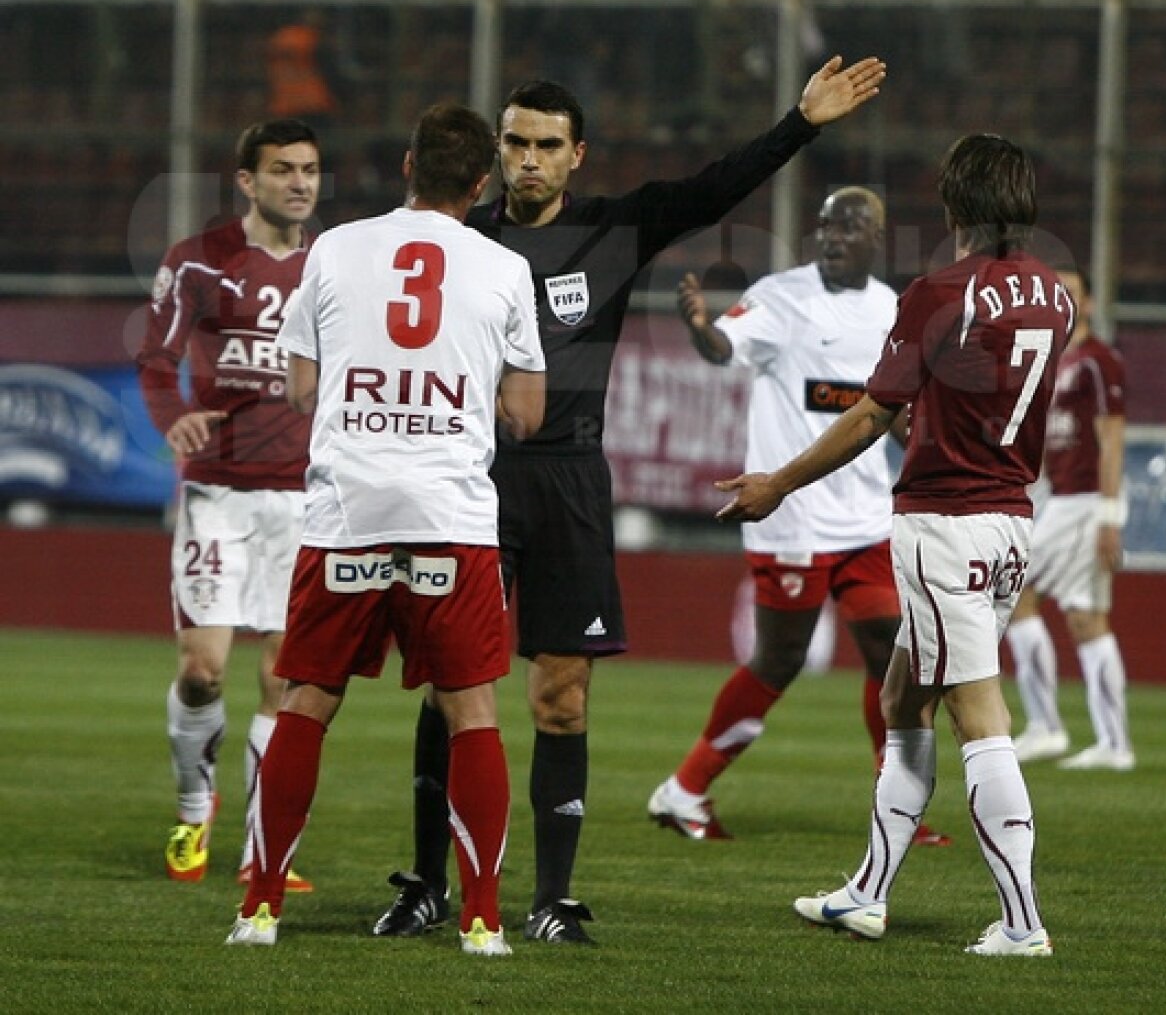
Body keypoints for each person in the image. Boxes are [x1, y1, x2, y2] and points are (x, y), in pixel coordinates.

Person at [373, 53, 887, 946]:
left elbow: (714, 188)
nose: (527, 159)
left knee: (561, 697)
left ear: (578, 154)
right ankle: (427, 883)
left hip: (570, 481)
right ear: (495, 151)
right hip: (465, 481)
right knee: (452, 689)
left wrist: (800, 124)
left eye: (546, 145)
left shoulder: (613, 230)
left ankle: (552, 898)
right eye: (514, 143)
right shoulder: (455, 238)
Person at [716, 132, 1073, 957]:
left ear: (953, 202)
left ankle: (1022, 922)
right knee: (901, 702)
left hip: (944, 522)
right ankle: (866, 893)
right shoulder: (1054, 295)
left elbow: (872, 413)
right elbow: (990, 396)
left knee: (978, 717)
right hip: (1011, 518)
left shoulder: (935, 292)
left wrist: (777, 481)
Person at [227, 103, 545, 953]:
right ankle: (481, 919)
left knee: (308, 698)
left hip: (347, 515)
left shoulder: (334, 248)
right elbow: (524, 410)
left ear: (407, 164)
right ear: (481, 183)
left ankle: (260, 907)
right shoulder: (503, 267)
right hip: (450, 517)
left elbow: (298, 389)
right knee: (471, 706)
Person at [648, 188, 947, 849]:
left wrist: (926, 447)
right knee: (779, 658)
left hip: (865, 518)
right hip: (794, 519)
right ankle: (684, 787)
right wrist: (702, 328)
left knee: (890, 650)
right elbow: (724, 346)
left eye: (850, 225)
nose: (833, 235)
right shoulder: (781, 295)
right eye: (825, 225)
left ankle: (894, 803)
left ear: (877, 235)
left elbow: (893, 411)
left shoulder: (891, 309)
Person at [137, 119, 321, 894]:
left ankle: (262, 849)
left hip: (304, 498)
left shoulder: (334, 264)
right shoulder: (198, 261)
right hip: (217, 492)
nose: (301, 183)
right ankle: (192, 802)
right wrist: (169, 418)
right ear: (246, 180)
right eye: (283, 169)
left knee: (283, 678)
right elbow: (155, 359)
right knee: (203, 670)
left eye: (311, 169)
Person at [1008, 267, 1132, 770]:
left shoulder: (1099, 362)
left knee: (1025, 597)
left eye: (1073, 294)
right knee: (1074, 615)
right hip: (1059, 499)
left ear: (1090, 303)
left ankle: (1062, 730)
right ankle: (1099, 739)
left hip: (1085, 503)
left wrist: (1109, 515)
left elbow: (1113, 440)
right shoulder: (1054, 362)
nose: (1065, 303)